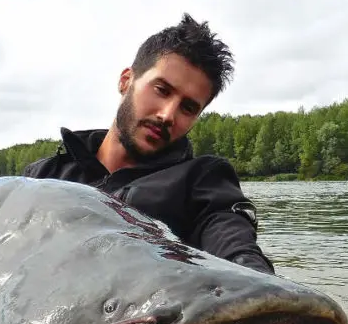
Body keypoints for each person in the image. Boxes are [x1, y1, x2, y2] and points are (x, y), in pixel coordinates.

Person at [22, 14, 275, 275]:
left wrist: (261, 282)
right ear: (125, 81)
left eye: (187, 108)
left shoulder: (202, 182)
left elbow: (233, 244)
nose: (168, 115)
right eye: (162, 90)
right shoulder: (42, 177)